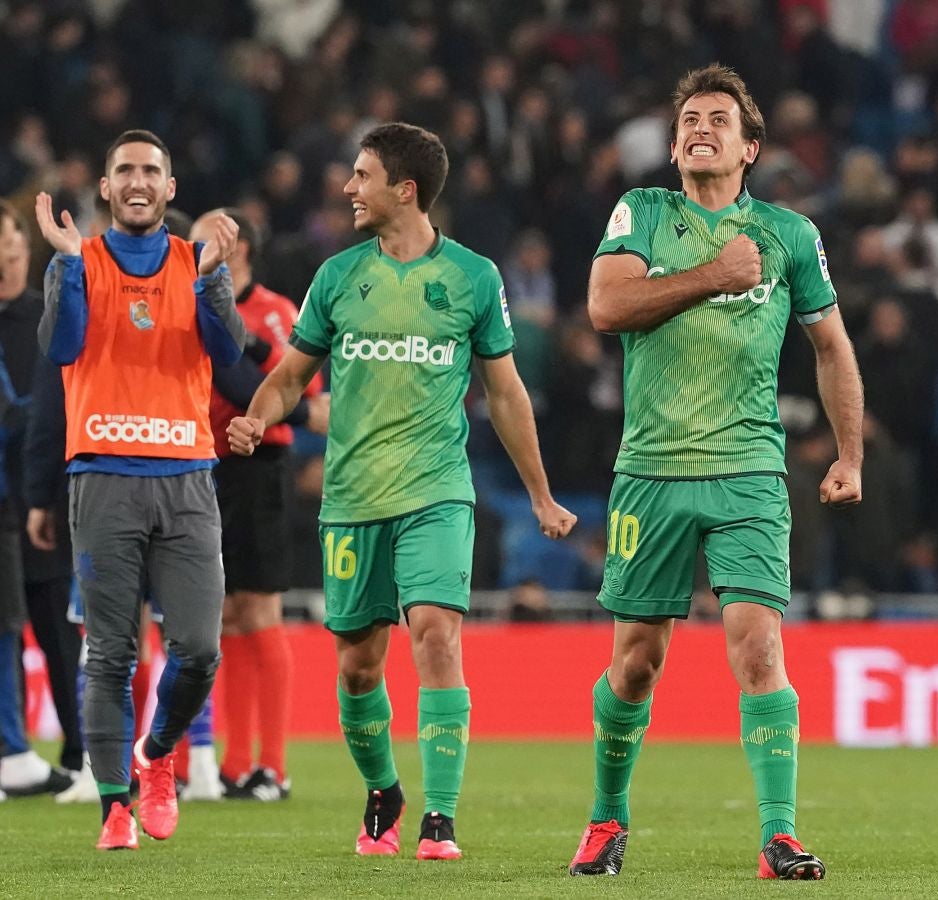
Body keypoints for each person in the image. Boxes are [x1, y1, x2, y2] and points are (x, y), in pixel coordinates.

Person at [227, 122, 575, 861]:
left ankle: (440, 818)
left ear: (404, 190)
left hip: (437, 490)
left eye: (361, 176)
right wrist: (257, 418)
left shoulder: (475, 278)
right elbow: (292, 377)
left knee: (438, 636)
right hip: (352, 499)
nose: (349, 188)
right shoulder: (336, 277)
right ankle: (384, 790)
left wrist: (540, 495)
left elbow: (506, 395)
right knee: (357, 662)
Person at [566, 64, 863, 881]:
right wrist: (714, 278)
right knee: (637, 661)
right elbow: (605, 308)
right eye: (689, 118)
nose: (700, 127)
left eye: (718, 120)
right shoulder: (643, 213)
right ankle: (605, 818)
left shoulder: (789, 235)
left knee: (760, 647)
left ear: (750, 147)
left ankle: (778, 836)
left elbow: (832, 346)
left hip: (750, 473)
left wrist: (849, 453)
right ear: (673, 146)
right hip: (652, 471)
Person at [34, 129, 245, 850]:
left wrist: (214, 278)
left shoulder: (194, 263)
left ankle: (156, 756)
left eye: (151, 169)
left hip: (186, 476)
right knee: (111, 654)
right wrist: (63, 269)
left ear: (170, 188)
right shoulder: (78, 261)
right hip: (101, 475)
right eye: (124, 169)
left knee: (199, 647)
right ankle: (114, 808)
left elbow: (229, 353)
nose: (137, 180)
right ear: (104, 187)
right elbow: (61, 348)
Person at [195, 208, 329, 802]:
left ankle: (272, 766)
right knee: (223, 617)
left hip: (259, 469)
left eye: (203, 240)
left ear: (238, 247)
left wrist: (252, 355)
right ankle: (234, 763)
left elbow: (304, 392)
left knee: (259, 610)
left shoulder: (276, 312)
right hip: (204, 466)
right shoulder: (200, 303)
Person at [0, 200, 79, 798]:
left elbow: (57, 407)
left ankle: (78, 750)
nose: (6, 255)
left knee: (56, 630)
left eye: (11, 243)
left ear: (27, 250)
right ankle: (13, 751)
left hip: (44, 496)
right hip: (10, 496)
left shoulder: (48, 316)